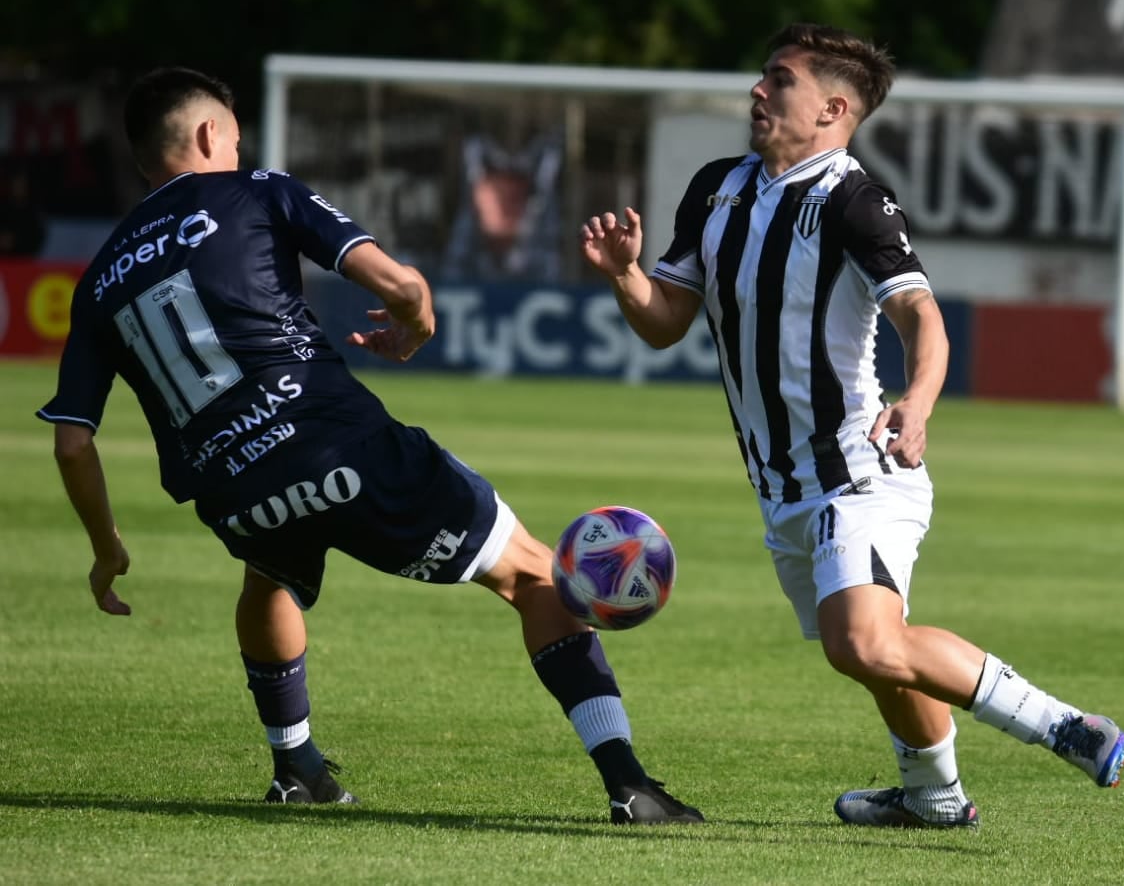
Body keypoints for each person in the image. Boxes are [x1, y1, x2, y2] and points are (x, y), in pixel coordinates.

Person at [37, 67, 701, 825]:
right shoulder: (257, 189)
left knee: (267, 578)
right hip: (336, 447)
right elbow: (402, 284)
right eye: (235, 135)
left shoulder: (96, 282)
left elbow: (70, 446)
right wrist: (411, 330)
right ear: (208, 135)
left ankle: (296, 767)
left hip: (235, 490)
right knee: (535, 577)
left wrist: (105, 547)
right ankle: (629, 785)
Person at [581, 23, 1124, 829]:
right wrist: (628, 274)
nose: (758, 91)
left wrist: (917, 401)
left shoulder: (852, 200)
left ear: (833, 107)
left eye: (780, 80)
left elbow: (920, 315)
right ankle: (932, 798)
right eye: (763, 76)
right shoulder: (716, 188)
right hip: (782, 487)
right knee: (878, 653)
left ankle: (1067, 727)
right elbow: (665, 322)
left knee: (864, 641)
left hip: (858, 467)